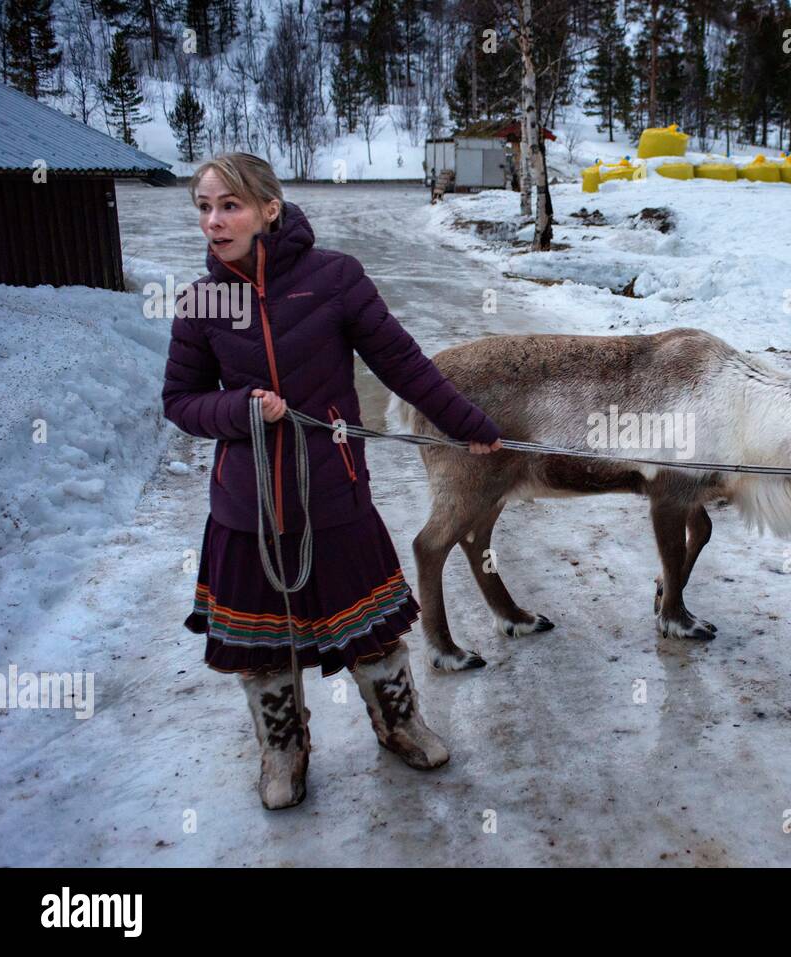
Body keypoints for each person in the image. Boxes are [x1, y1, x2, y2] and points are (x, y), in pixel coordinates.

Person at [162, 153, 502, 810]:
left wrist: (467, 424)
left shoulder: (335, 279)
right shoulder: (202, 302)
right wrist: (236, 410)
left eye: (228, 205)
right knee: (260, 643)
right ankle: (283, 745)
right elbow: (180, 400)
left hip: (333, 491)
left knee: (372, 628)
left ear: (269, 208)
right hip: (246, 506)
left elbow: (404, 363)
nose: (213, 220)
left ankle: (398, 722)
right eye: (203, 206)